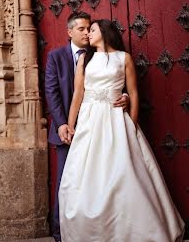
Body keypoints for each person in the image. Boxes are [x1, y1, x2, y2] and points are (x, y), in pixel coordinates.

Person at [59, 19, 185, 242]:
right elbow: (78, 95)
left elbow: (133, 93)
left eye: (93, 29)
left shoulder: (123, 58)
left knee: (124, 173)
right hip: (89, 121)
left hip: (115, 120)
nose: (88, 33)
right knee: (81, 177)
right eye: (86, 30)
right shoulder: (84, 60)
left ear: (105, 33)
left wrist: (132, 125)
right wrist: (71, 124)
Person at [45, 12, 128, 242]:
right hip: (68, 130)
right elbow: (52, 92)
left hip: (100, 127)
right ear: (69, 32)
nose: (86, 32)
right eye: (81, 29)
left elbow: (118, 81)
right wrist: (63, 124)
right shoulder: (56, 56)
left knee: (101, 179)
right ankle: (61, 233)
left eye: (89, 28)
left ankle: (98, 231)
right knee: (67, 181)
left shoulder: (100, 55)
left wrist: (126, 97)